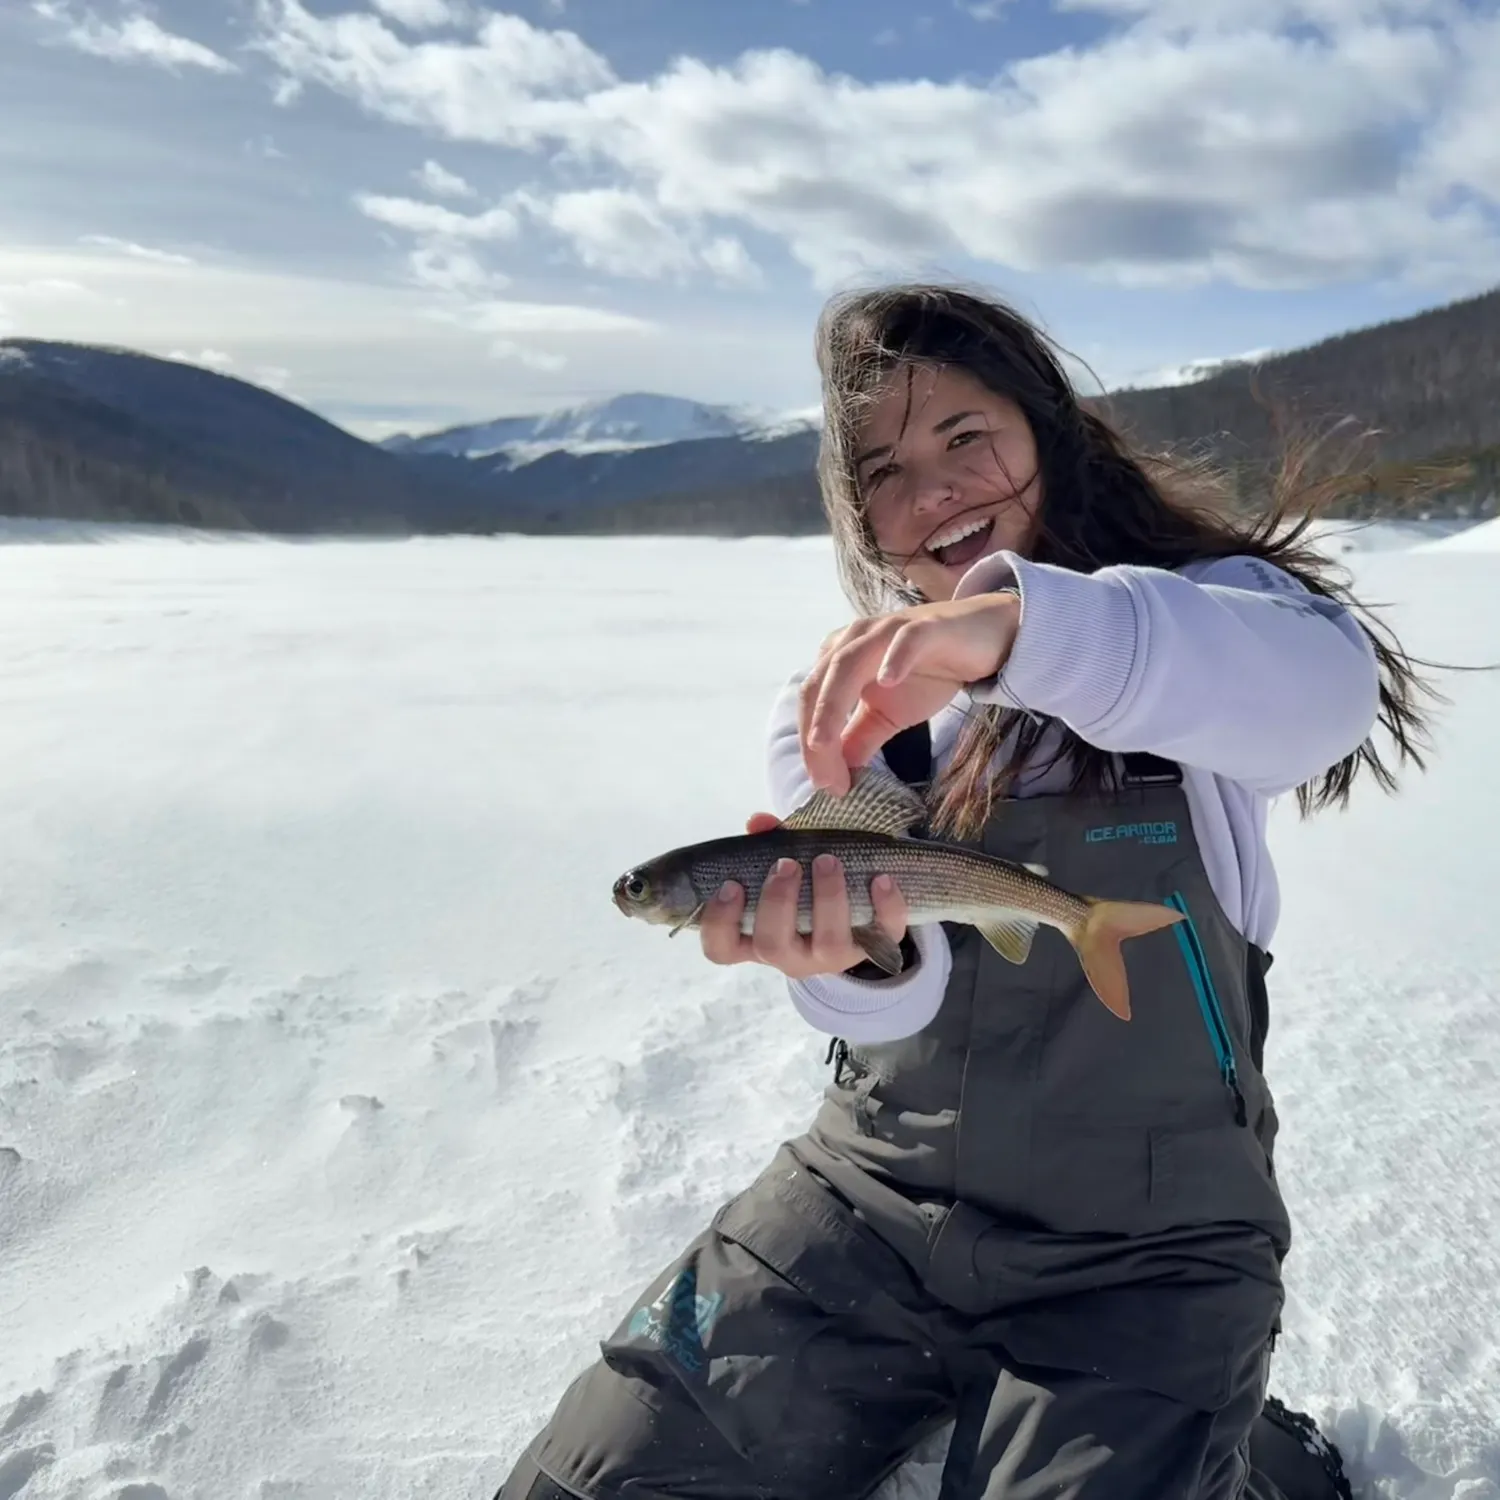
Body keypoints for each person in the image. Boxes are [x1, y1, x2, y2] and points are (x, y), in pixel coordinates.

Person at [495, 283, 1431, 1500]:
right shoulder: (848, 712)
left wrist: (1011, 634)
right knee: (589, 1481)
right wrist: (845, 963)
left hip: (1147, 1250)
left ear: (1050, 434)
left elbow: (1321, 694)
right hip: (865, 1210)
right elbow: (881, 1011)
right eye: (881, 469)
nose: (928, 492)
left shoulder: (1198, 625)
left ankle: (1248, 1459)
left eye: (964, 438)